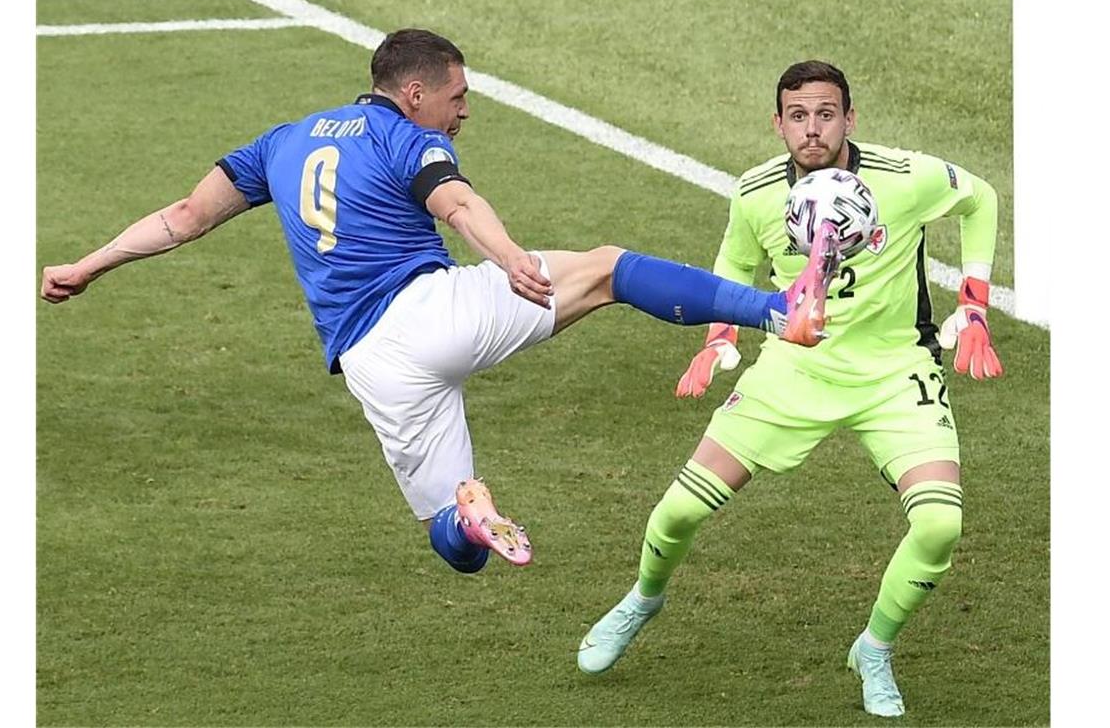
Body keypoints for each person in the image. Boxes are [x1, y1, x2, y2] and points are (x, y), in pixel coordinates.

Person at [41, 30, 840, 576]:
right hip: (427, 312)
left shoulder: (280, 141)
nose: (463, 111)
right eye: (456, 97)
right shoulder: (404, 136)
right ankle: (780, 311)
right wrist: (513, 264)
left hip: (369, 365)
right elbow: (453, 204)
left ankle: (469, 518)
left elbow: (182, 219)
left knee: (450, 540)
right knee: (606, 269)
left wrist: (89, 263)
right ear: (415, 92)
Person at [577, 60, 1003, 719]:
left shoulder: (904, 177)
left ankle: (875, 648)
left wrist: (973, 304)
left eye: (826, 114)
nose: (812, 129)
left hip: (895, 373)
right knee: (679, 512)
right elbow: (735, 264)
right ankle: (643, 598)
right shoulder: (754, 193)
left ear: (850, 118)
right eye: (798, 116)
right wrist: (720, 337)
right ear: (778, 123)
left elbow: (980, 197)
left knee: (941, 523)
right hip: (793, 371)